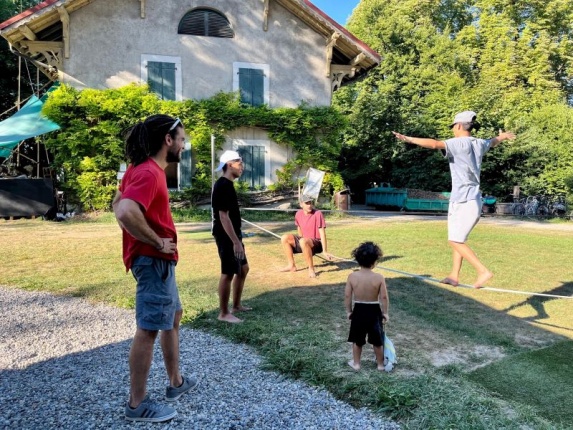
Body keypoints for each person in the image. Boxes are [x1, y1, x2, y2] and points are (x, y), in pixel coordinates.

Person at [113, 115, 198, 423]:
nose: (184, 145)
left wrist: (144, 236)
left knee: (173, 317)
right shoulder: (149, 172)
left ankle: (175, 382)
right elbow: (125, 210)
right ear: (167, 140)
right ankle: (137, 405)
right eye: (182, 139)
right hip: (153, 262)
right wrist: (157, 242)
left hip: (157, 262)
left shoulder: (139, 170)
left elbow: (117, 202)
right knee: (148, 329)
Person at [392, 111, 516, 288]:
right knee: (457, 238)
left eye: (453, 127)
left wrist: (409, 139)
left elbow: (435, 144)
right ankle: (454, 276)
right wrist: (502, 136)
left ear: (458, 126)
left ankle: (483, 271)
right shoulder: (479, 143)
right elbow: (493, 142)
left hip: (463, 200)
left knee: (454, 240)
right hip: (472, 199)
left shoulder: (457, 143)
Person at [211, 150, 251, 323]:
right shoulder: (222, 185)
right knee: (228, 272)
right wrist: (235, 242)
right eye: (239, 163)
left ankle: (236, 305)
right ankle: (223, 313)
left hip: (234, 234)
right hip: (226, 236)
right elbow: (223, 216)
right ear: (229, 164)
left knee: (243, 269)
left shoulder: (228, 184)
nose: (242, 166)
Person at [345, 241, 389, 371]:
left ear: (357, 259)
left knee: (357, 340)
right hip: (374, 311)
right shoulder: (379, 277)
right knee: (377, 340)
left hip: (359, 310)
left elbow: (348, 296)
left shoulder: (352, 276)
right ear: (375, 261)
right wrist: (385, 312)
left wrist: (349, 311)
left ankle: (356, 364)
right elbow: (384, 297)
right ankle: (380, 365)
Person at [280, 195, 333, 278]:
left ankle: (311, 269)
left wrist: (325, 251)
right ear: (301, 204)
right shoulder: (298, 214)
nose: (309, 205)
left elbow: (322, 233)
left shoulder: (318, 214)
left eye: (310, 203)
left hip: (316, 243)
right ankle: (291, 265)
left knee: (303, 241)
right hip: (304, 241)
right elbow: (299, 230)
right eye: (307, 203)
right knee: (284, 237)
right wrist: (301, 245)